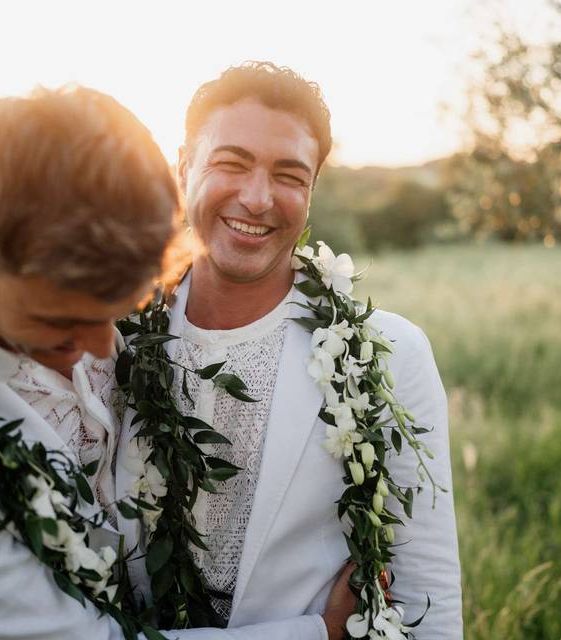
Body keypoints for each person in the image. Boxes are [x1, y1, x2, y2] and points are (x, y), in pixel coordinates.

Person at [0, 86, 354, 640]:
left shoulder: (49, 251)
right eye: (60, 319)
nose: (100, 346)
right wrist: (318, 634)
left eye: (119, 306)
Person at [114, 62, 463, 638]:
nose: (257, 199)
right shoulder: (108, 340)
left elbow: (430, 597)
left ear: (312, 191)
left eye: (289, 175)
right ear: (184, 169)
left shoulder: (391, 354)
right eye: (231, 163)